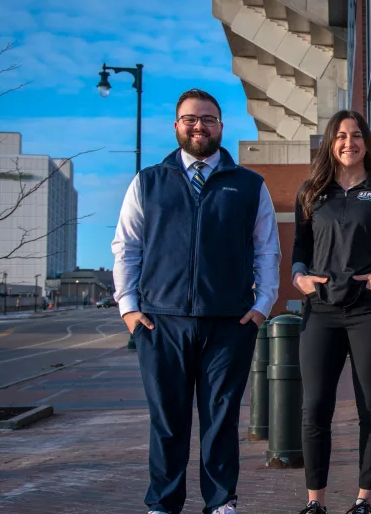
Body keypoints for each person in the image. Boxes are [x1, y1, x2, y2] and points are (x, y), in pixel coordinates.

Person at [111, 89, 281, 514]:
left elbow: (267, 251)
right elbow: (126, 247)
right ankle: (163, 504)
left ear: (221, 126)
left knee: (220, 420)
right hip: (160, 321)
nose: (199, 125)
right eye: (190, 118)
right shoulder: (148, 181)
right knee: (167, 420)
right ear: (176, 126)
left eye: (207, 118)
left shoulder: (248, 185)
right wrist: (129, 308)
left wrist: (262, 307)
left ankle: (221, 502)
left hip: (229, 322)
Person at [291, 110, 371, 514]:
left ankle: (364, 499)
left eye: (356, 136)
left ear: (367, 142)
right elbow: (300, 248)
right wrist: (299, 277)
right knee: (315, 407)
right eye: (341, 136)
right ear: (331, 143)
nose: (349, 143)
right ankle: (316, 501)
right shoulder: (312, 192)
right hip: (322, 311)